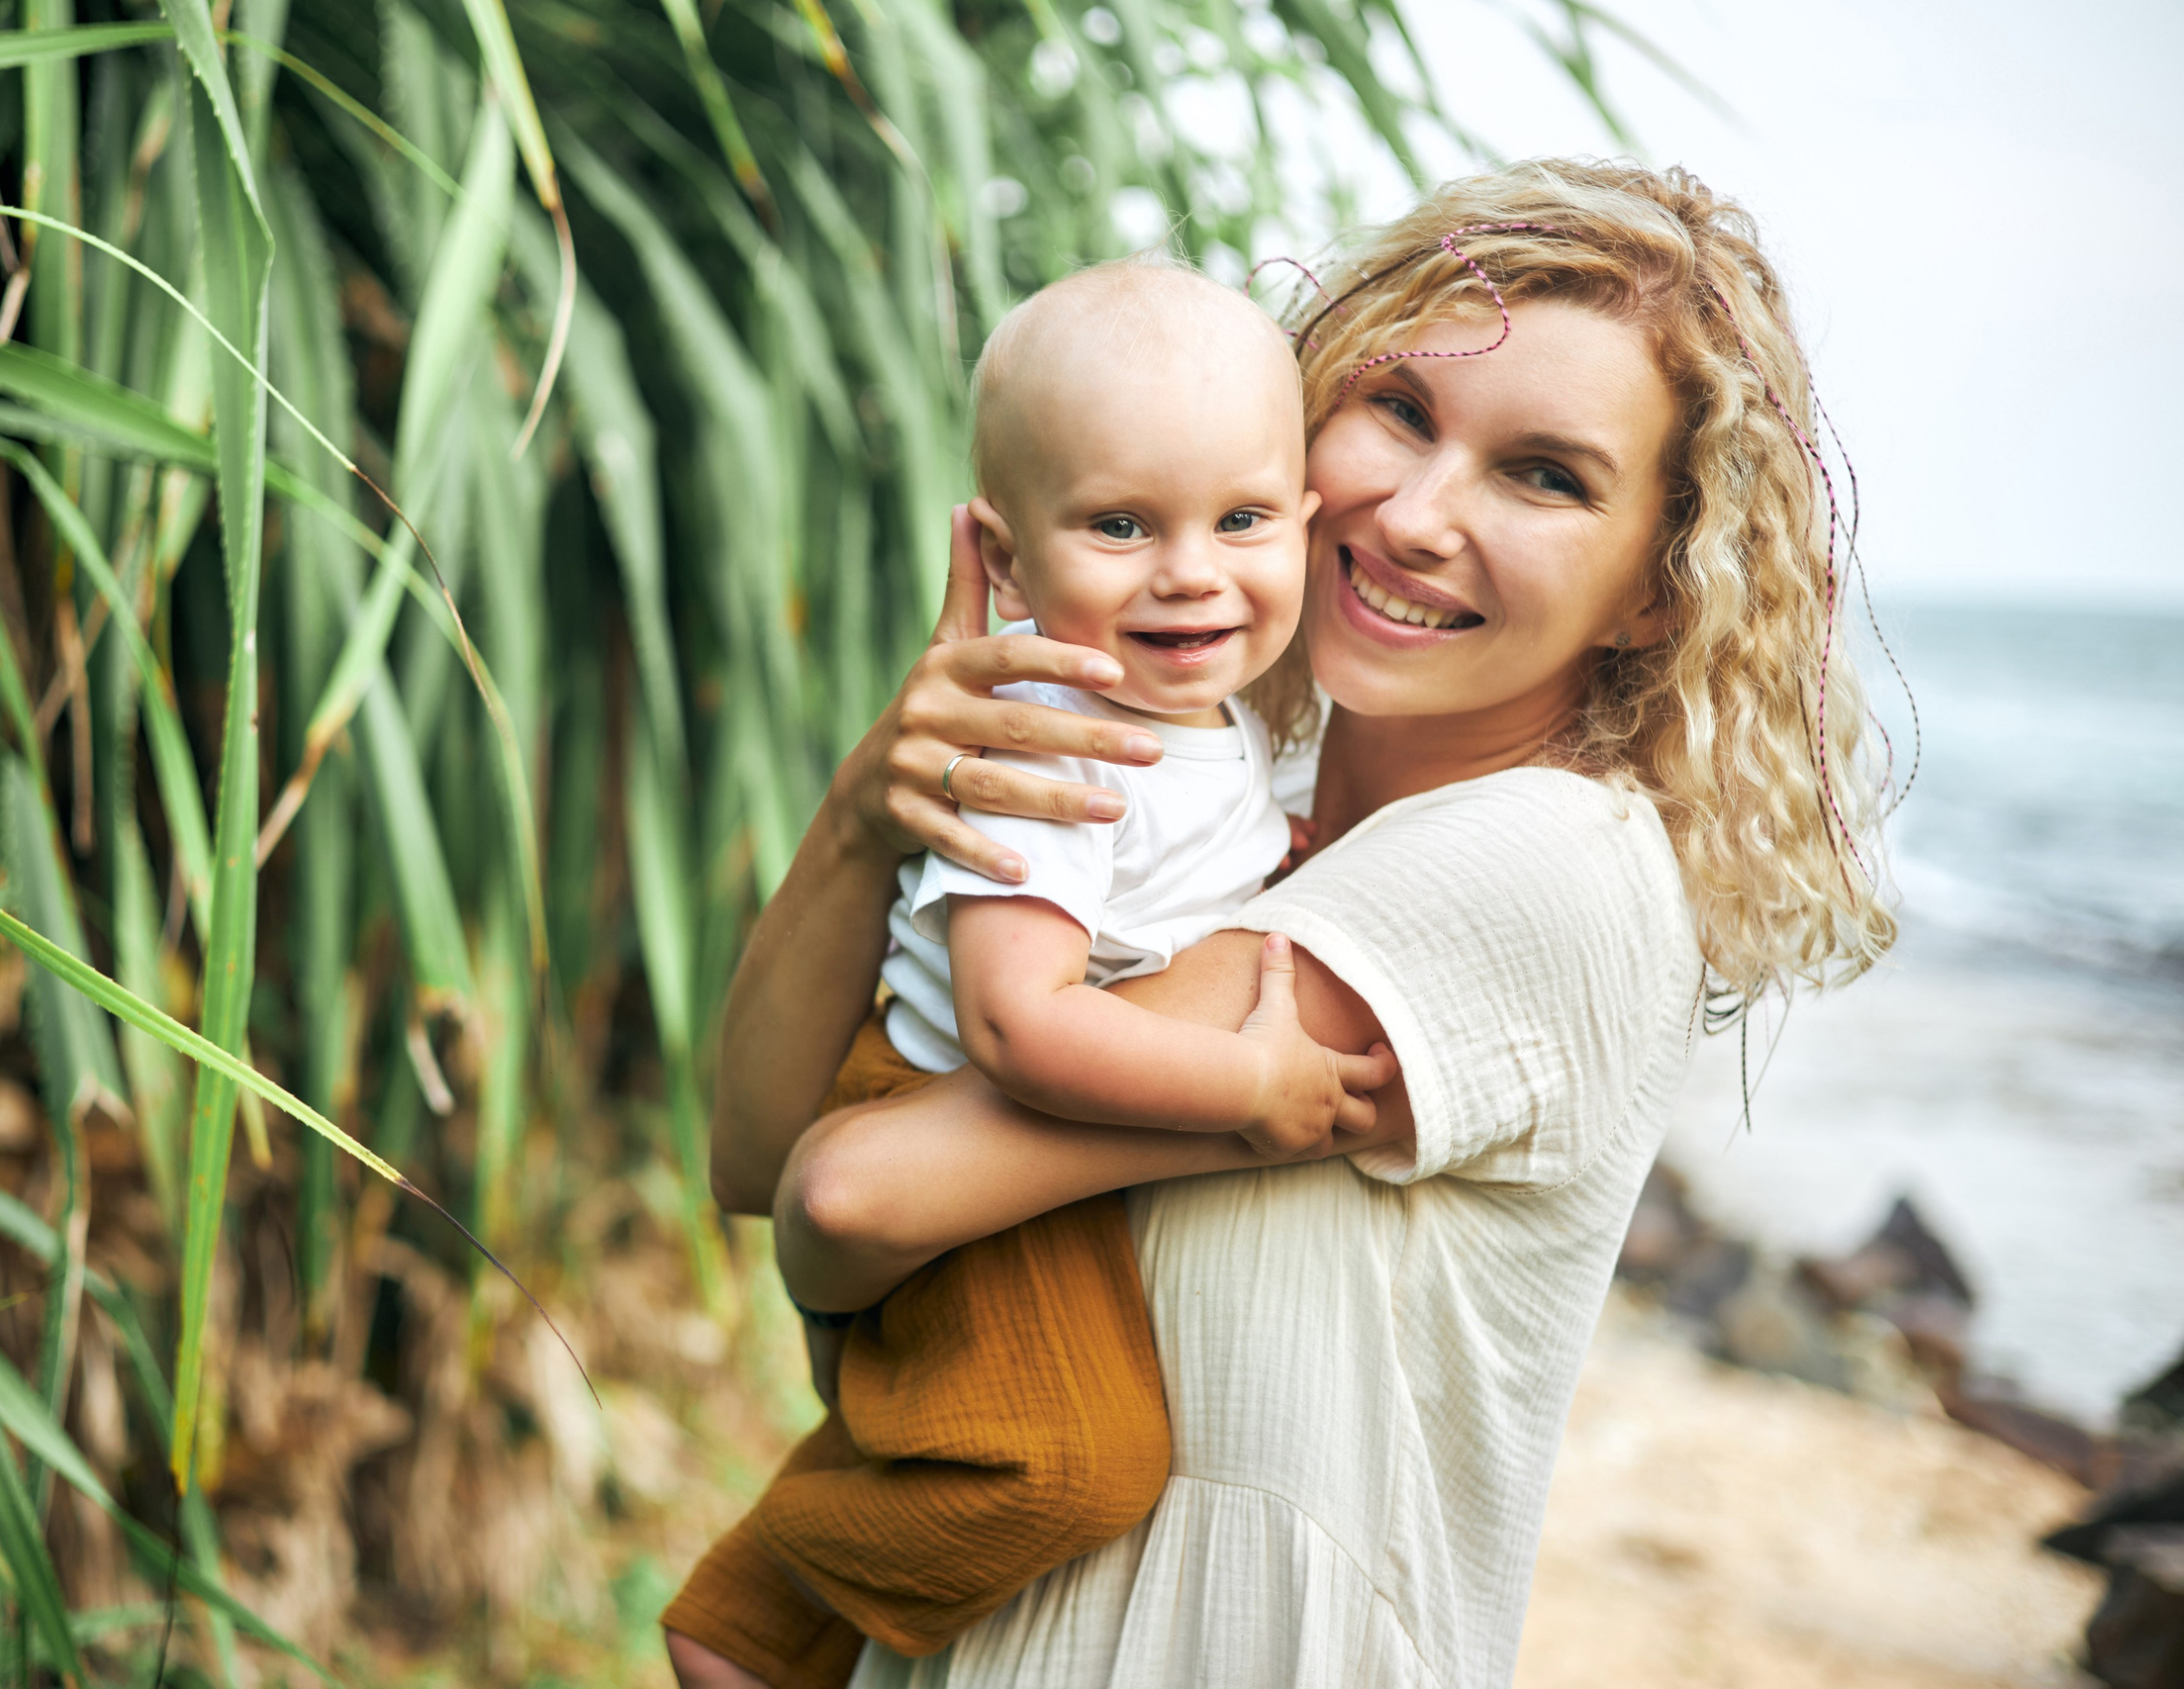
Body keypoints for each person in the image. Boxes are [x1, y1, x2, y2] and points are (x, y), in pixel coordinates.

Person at [693, 158, 1896, 1687]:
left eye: (1545, 475)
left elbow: (852, 1190)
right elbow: (751, 1162)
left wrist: (1252, 1115)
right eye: (1398, 409)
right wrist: (881, 805)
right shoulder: (1235, 818)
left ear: (1659, 589)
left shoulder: (1546, 864)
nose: (1415, 512)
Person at [661, 256, 1398, 1689]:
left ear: (1304, 526)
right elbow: (1016, 1018)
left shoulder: (1197, 707)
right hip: (947, 1096)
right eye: (1121, 524)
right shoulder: (1050, 739)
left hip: (1003, 1127)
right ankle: (754, 1610)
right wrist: (1248, 1082)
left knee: (984, 1417)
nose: (1191, 570)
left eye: (1241, 520)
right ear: (1003, 558)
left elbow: (1176, 869)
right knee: (1071, 1464)